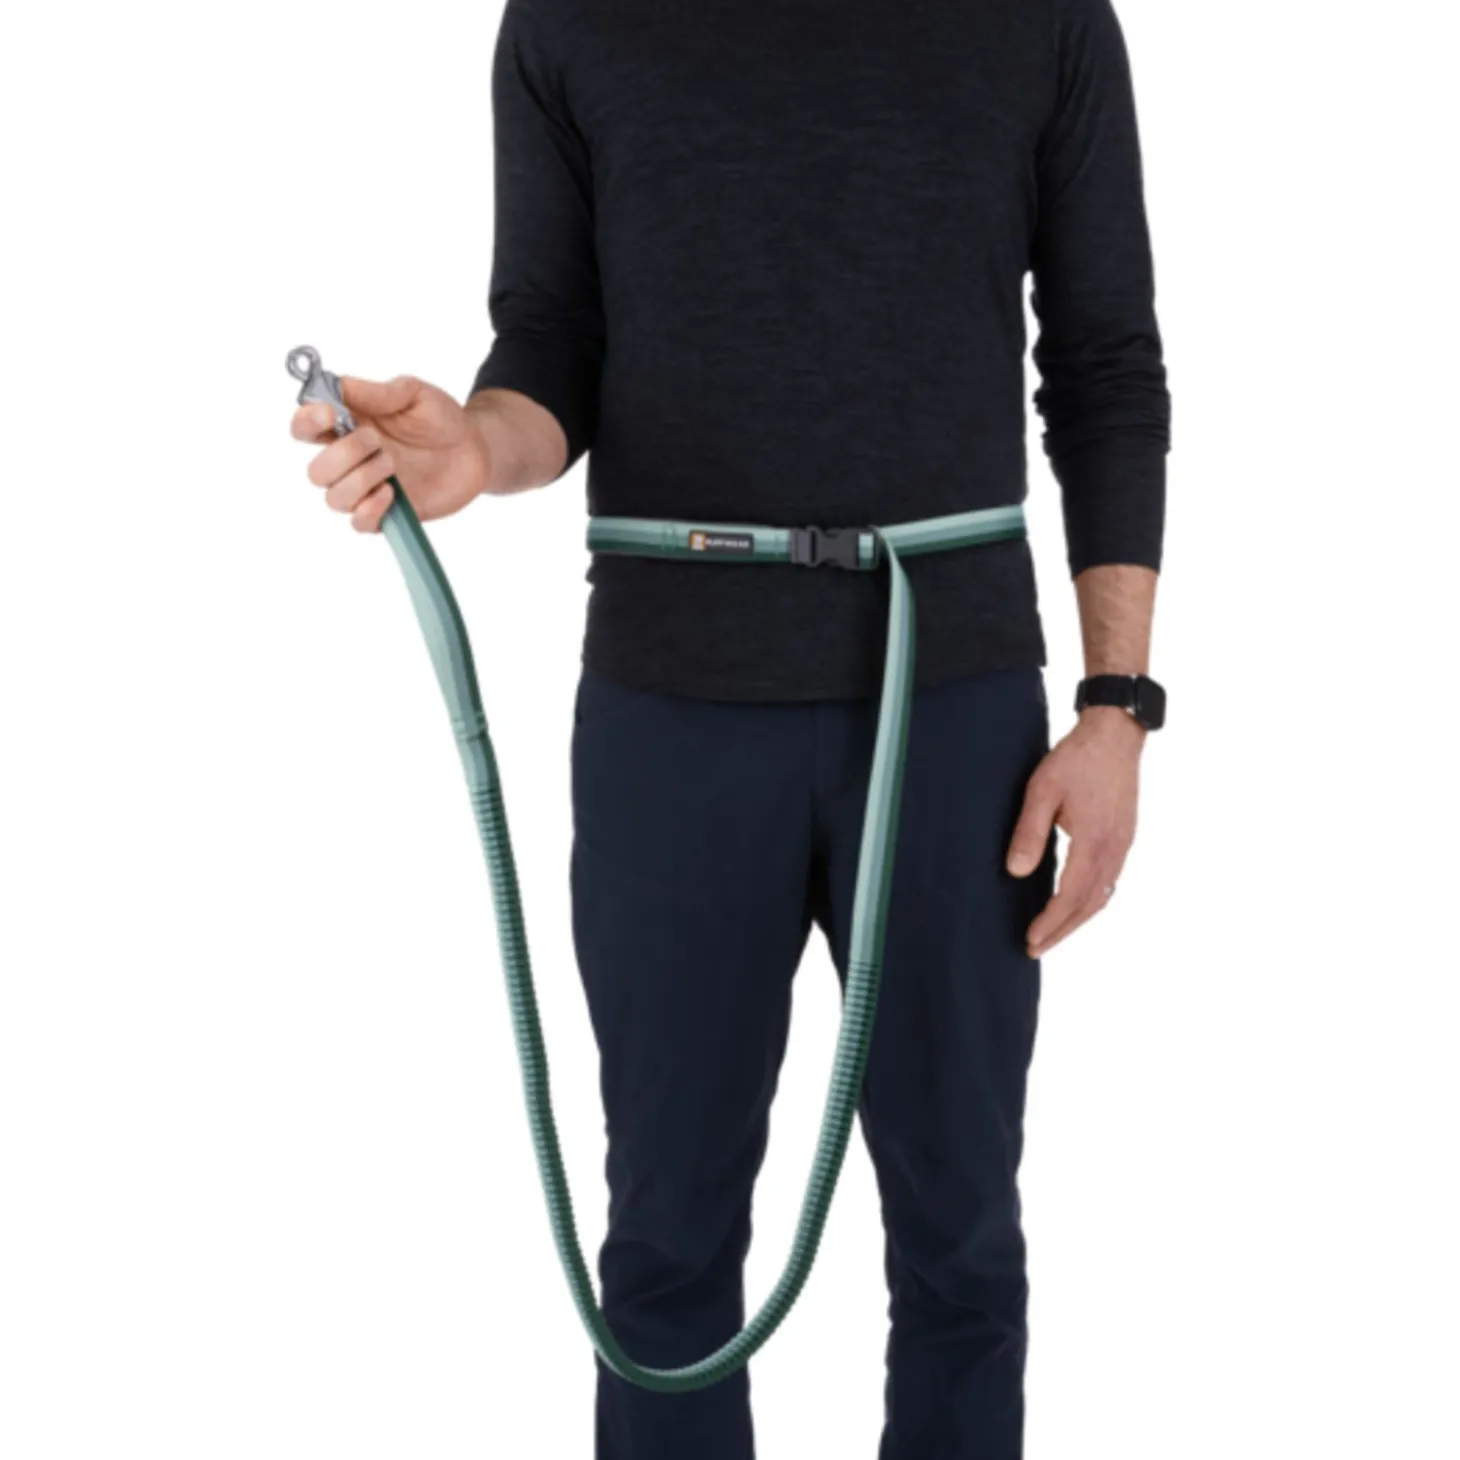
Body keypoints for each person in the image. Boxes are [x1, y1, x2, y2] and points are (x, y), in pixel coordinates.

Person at [289, 0, 1170, 1453]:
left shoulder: (1043, 18)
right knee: (664, 1252)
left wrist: (1116, 707)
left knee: (961, 1240)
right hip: (672, 716)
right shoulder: (568, 19)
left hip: (954, 713)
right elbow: (553, 345)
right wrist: (474, 452)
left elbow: (1105, 363)